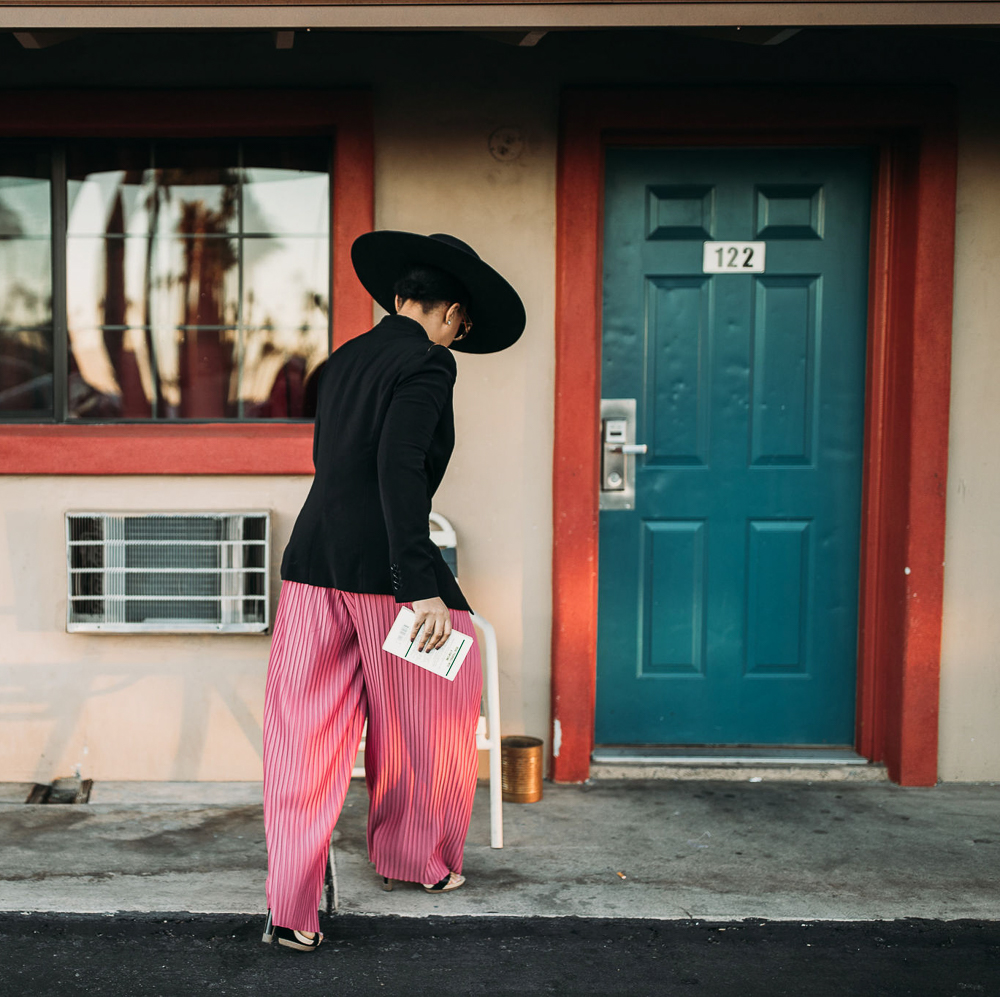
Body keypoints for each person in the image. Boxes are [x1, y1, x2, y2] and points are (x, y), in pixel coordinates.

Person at [260, 231, 525, 952]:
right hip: (385, 570)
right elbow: (400, 468)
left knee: (302, 735)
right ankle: (419, 860)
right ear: (454, 316)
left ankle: (290, 909)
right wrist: (420, 584)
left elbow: (332, 463)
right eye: (461, 329)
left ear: (399, 298)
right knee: (439, 702)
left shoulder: (345, 357)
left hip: (313, 562)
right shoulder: (428, 361)